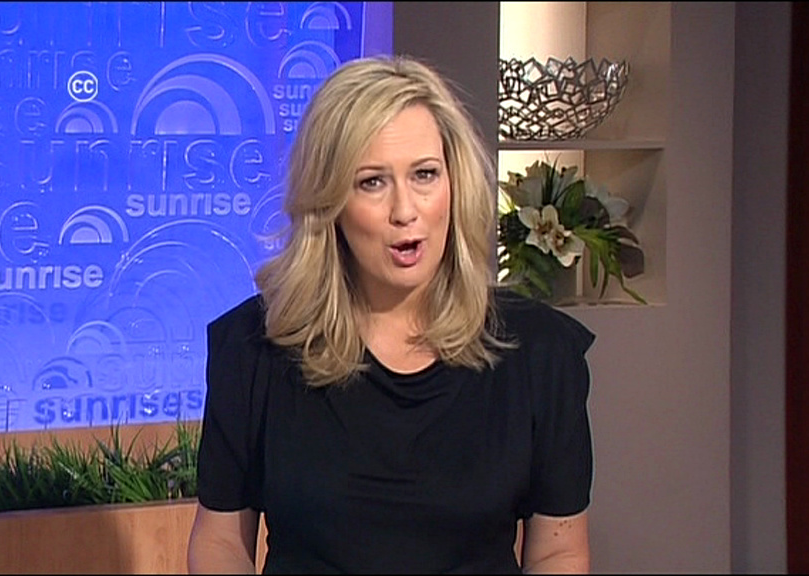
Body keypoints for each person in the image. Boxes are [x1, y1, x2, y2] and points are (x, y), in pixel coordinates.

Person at [187, 54, 595, 574]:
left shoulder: (539, 352)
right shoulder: (254, 346)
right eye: (372, 182)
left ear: (455, 183)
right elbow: (221, 542)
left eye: (425, 174)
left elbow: (559, 550)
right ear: (329, 201)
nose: (406, 211)